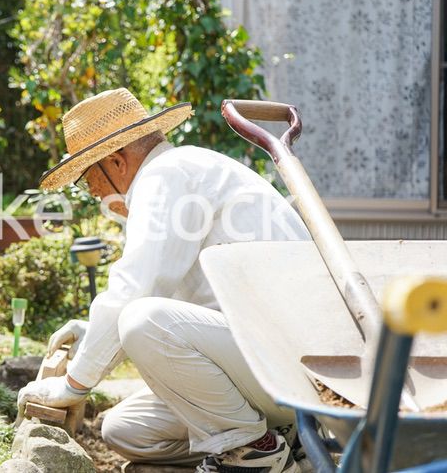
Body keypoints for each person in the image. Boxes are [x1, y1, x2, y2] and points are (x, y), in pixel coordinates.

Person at [17, 88, 310, 473]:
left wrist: (72, 384)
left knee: (141, 321)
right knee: (125, 430)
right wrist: (92, 330)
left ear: (118, 161)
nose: (92, 192)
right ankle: (283, 440)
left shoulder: (166, 175)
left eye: (87, 177)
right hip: (266, 360)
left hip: (285, 366)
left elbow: (137, 289)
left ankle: (253, 453)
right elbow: (174, 299)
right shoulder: (184, 172)